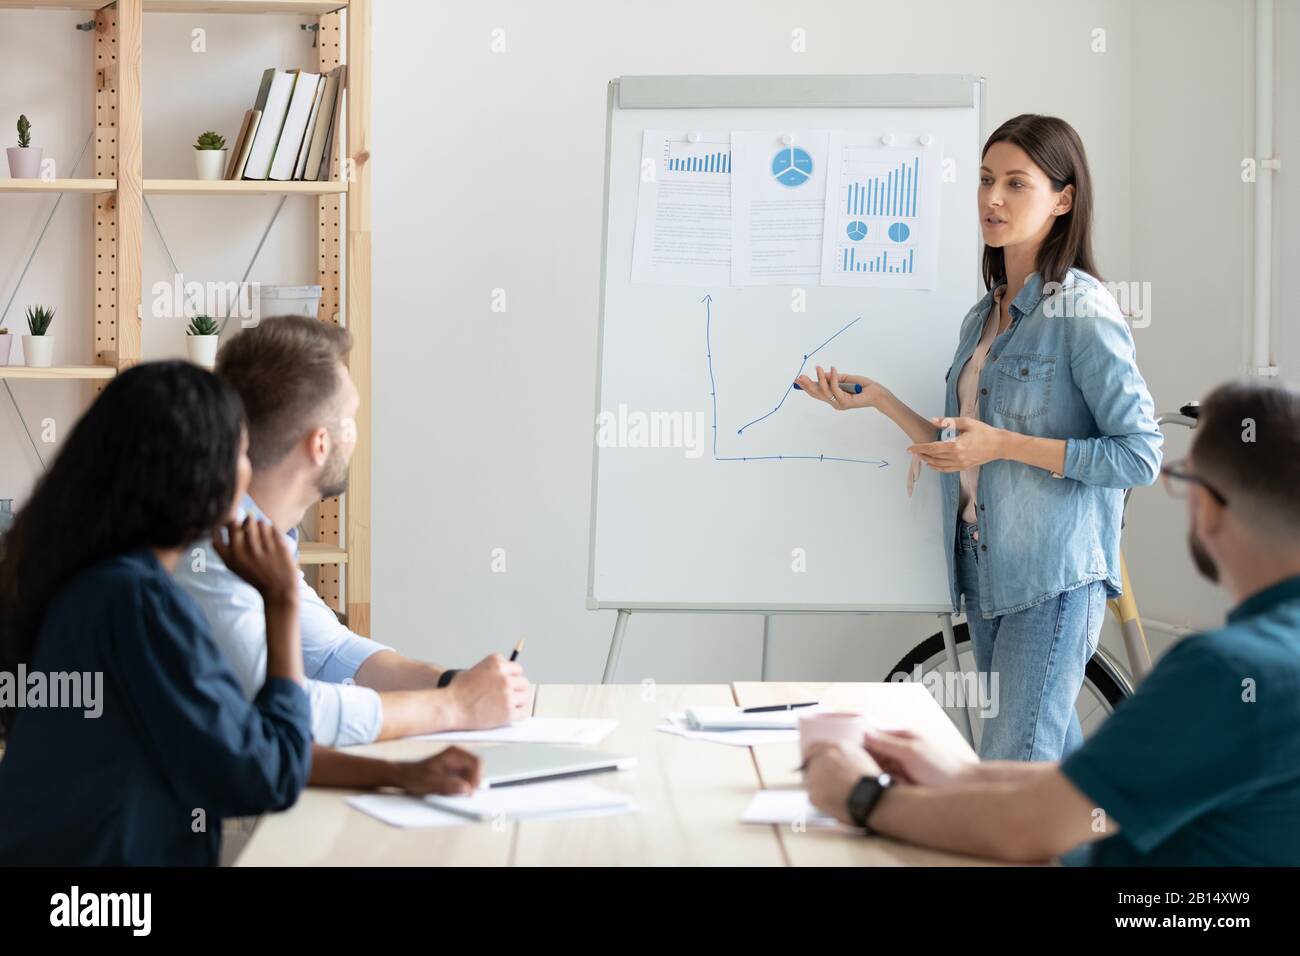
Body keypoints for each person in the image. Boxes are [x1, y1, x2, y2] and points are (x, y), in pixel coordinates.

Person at [803, 380, 1300, 865]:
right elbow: (1083, 795)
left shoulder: (1225, 670)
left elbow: (1025, 829)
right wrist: (954, 776)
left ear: (1208, 508)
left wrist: (859, 796)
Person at [796, 114, 1162, 760]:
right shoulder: (981, 315)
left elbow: (1139, 455)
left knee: (1012, 767)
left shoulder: (1080, 308)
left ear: (1063, 199)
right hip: (985, 572)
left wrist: (1003, 445)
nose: (993, 199)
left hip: (1052, 578)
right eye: (987, 180)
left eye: (1017, 184)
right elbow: (962, 445)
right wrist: (880, 401)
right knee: (1045, 772)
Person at [0, 362, 312, 865]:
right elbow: (262, 777)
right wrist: (282, 602)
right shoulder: (139, 602)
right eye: (242, 453)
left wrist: (397, 772)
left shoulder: (86, 582)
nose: (249, 474)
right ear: (200, 473)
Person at [174, 315, 530, 750]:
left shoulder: (259, 532)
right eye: (352, 417)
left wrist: (453, 683)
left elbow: (328, 652)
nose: (358, 433)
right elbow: (289, 714)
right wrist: (456, 706)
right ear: (320, 443)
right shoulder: (209, 552)